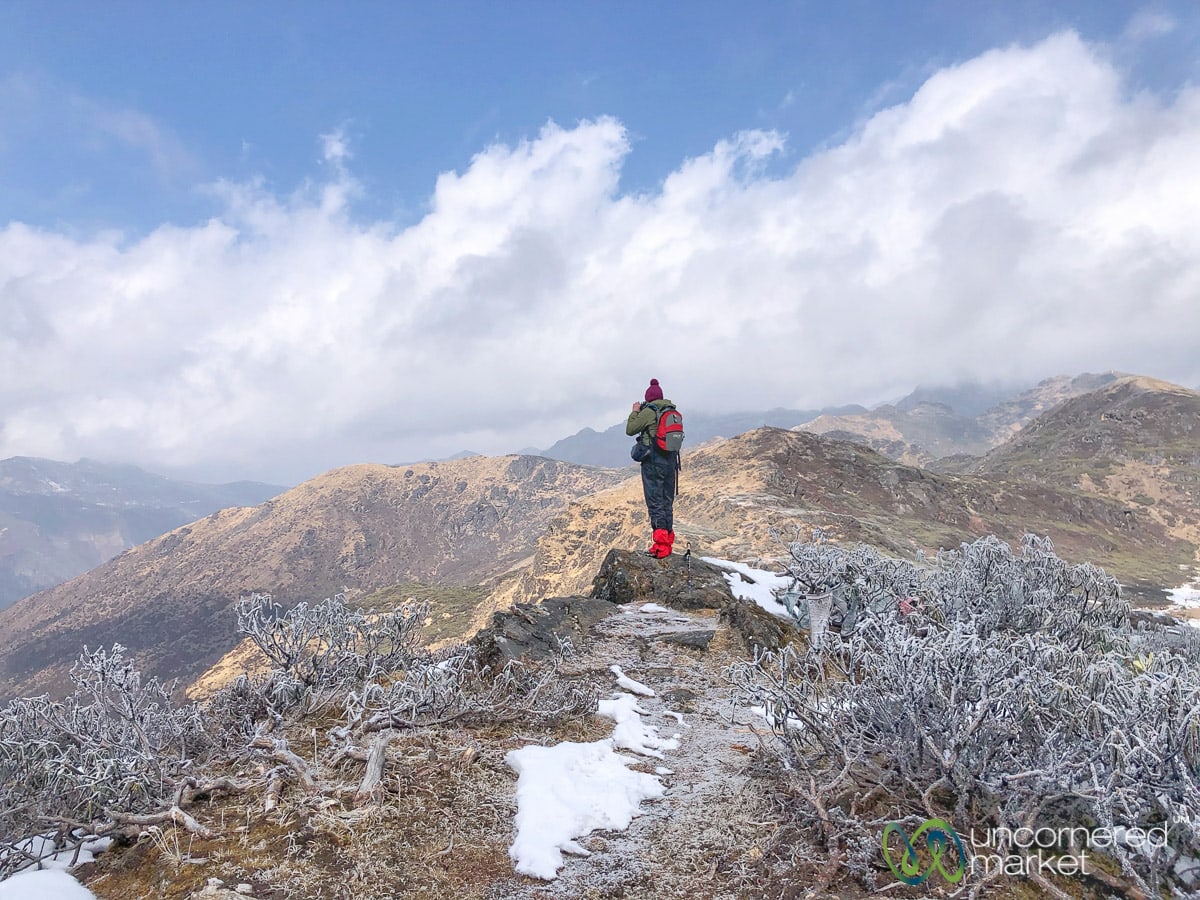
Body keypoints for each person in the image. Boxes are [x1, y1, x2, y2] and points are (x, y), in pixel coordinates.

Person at [626, 378, 679, 558]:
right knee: (666, 501)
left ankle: (660, 546)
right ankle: (667, 542)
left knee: (655, 502)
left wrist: (634, 412)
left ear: (648, 399)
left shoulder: (649, 412)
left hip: (654, 462)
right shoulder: (672, 411)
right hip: (670, 461)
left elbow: (631, 429)